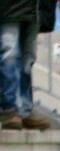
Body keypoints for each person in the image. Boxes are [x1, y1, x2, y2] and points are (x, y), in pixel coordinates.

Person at [0, 0, 51, 129]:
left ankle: (24, 109)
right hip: (8, 8)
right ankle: (9, 108)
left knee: (27, 58)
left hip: (35, 8)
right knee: (9, 54)